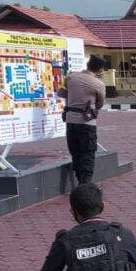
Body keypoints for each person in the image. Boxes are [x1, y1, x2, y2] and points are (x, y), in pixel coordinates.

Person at [57, 54, 106, 185]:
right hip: (87, 123)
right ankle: (85, 185)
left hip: (70, 121)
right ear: (100, 70)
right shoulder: (98, 84)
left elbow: (60, 92)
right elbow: (100, 104)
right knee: (88, 154)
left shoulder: (71, 77)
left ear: (88, 64)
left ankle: (80, 181)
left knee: (76, 153)